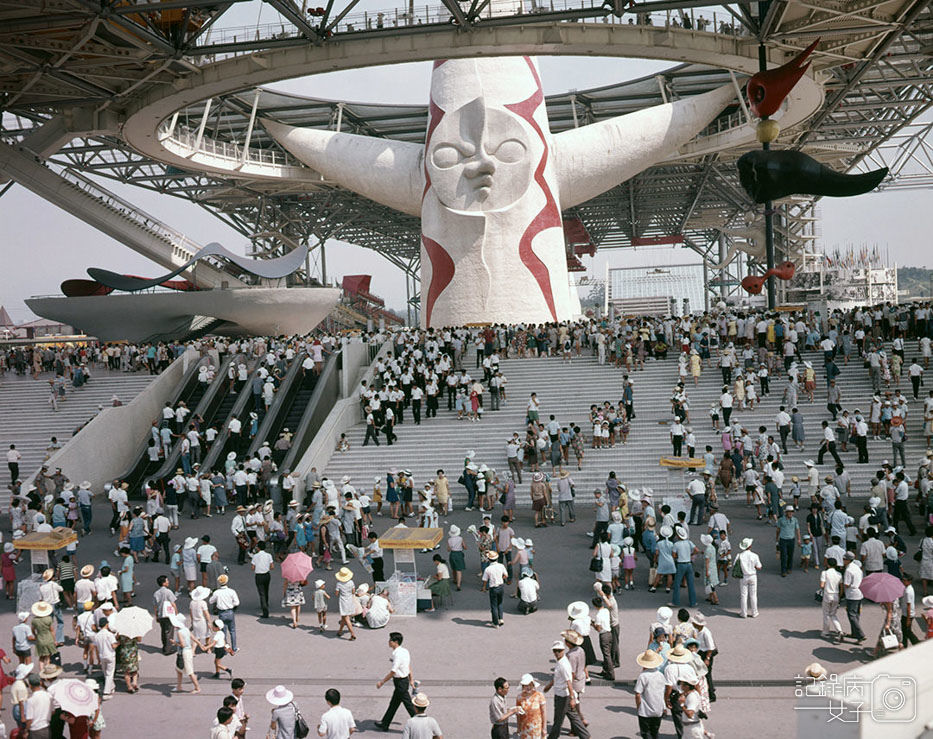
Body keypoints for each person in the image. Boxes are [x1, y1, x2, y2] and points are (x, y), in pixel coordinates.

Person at [543, 640, 588, 739]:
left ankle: (553, 737)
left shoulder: (564, 664)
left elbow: (569, 681)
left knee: (558, 719)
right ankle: (586, 736)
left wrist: (572, 698)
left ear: (563, 650)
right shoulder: (561, 662)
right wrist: (550, 685)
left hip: (563, 696)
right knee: (573, 716)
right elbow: (558, 677)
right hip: (563, 694)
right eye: (555, 651)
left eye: (559, 650)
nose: (557, 653)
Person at [376, 632, 416, 731]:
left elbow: (393, 672)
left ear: (396, 642)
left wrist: (382, 682)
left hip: (400, 682)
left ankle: (420, 724)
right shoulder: (405, 651)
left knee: (409, 705)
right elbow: (408, 666)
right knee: (394, 704)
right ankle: (385, 723)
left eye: (390, 640)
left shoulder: (397, 655)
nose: (389, 642)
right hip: (404, 680)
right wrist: (411, 679)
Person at [634, 649, 666, 739]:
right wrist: (664, 707)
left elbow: (638, 694)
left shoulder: (643, 676)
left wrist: (638, 707)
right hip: (658, 709)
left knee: (645, 733)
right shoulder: (660, 675)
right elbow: (662, 692)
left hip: (645, 711)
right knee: (655, 732)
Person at [841, 552, 866, 643]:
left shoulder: (848, 570)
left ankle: (860, 634)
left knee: (851, 615)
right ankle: (855, 633)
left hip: (852, 594)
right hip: (859, 593)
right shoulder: (857, 568)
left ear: (847, 560)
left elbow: (847, 584)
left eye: (844, 559)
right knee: (856, 615)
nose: (843, 561)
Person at [734, 538, 762, 618]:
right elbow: (759, 567)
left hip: (743, 576)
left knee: (743, 595)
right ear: (750, 546)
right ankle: (754, 612)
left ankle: (743, 613)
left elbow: (734, 565)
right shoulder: (755, 555)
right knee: (753, 595)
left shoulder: (739, 555)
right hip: (753, 576)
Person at [481, 551, 508, 628]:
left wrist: (484, 588)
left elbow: (485, 580)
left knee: (494, 605)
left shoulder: (488, 569)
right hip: (501, 586)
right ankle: (501, 618)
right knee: (500, 603)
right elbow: (506, 575)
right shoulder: (501, 566)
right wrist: (501, 578)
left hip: (493, 588)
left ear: (489, 559)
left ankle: (495, 623)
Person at [515, 673, 547, 739]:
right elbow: (518, 715)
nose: (528, 687)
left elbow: (543, 712)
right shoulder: (519, 697)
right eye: (526, 685)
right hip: (524, 729)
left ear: (533, 685)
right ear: (523, 686)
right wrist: (518, 727)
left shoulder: (539, 695)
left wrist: (544, 728)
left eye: (530, 685)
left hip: (536, 729)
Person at [251, 541, 274, 619]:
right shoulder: (269, 555)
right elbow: (272, 567)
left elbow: (252, 568)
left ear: (258, 548)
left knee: (261, 593)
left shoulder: (255, 556)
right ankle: (266, 603)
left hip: (259, 575)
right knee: (266, 589)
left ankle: (265, 609)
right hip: (267, 575)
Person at [776, 505, 801, 577]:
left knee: (790, 555)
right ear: (786, 512)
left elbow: (797, 530)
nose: (791, 513)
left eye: (792, 512)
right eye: (789, 512)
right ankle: (783, 570)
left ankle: (789, 568)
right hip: (783, 539)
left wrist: (799, 539)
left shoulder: (795, 520)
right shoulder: (781, 520)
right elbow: (778, 530)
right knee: (783, 555)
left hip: (791, 539)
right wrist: (777, 539)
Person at [335, 567, 357, 640]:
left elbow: (336, 594)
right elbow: (353, 591)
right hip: (350, 599)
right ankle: (340, 631)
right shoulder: (351, 582)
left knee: (346, 617)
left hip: (343, 600)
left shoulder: (339, 584)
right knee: (343, 617)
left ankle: (352, 634)